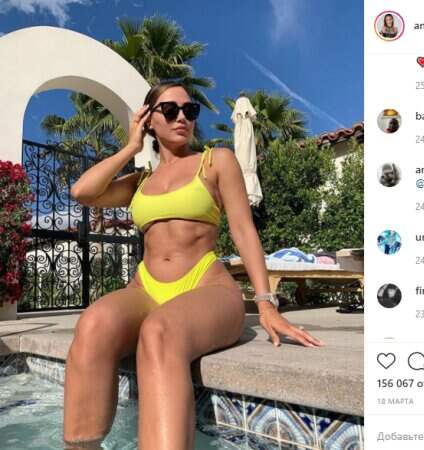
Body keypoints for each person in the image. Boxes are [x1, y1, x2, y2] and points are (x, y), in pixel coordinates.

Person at [63, 81, 324, 450]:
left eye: (190, 110)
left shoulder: (215, 161)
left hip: (206, 285)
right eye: (170, 110)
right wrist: (132, 146)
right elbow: (82, 192)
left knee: (159, 333)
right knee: (93, 324)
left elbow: (243, 230)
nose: (182, 117)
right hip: (147, 288)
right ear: (148, 120)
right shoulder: (140, 181)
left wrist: (266, 303)